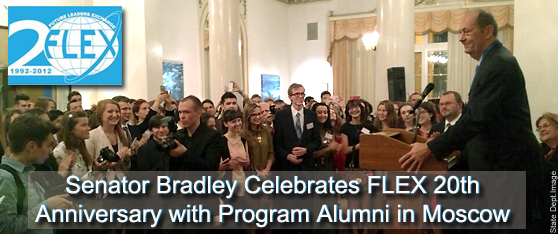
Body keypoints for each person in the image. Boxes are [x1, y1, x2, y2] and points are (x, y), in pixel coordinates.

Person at [400, 9, 543, 232]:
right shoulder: (492, 60)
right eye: (460, 32)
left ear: (488, 31)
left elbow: (476, 120)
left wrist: (430, 148)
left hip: (507, 167)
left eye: (467, 31)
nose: (461, 37)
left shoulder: (499, 63)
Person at [0, 114, 73, 233]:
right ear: (32, 146)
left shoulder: (29, 171)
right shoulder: (6, 178)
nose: (50, 152)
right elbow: (6, 228)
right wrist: (46, 207)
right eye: (48, 145)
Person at [273, 83, 321, 171]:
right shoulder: (281, 116)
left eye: (302, 94)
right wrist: (287, 156)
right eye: (297, 94)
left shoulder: (311, 115)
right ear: (290, 96)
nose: (300, 96)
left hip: (307, 165)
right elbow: (277, 142)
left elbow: (317, 140)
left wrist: (306, 150)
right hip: (287, 166)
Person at [85, 99, 132, 179]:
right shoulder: (92, 136)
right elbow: (88, 169)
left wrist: (126, 158)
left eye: (117, 112)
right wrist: (100, 167)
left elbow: (125, 168)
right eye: (110, 112)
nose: (114, 115)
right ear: (100, 115)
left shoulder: (122, 134)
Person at [219, 109, 250, 208]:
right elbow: (218, 165)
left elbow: (248, 162)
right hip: (228, 184)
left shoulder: (243, 140)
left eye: (239, 120)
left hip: (243, 183)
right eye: (233, 122)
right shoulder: (221, 141)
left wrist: (242, 161)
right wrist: (227, 165)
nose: (237, 124)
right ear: (225, 124)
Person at [53, 111, 94, 179]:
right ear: (71, 129)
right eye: (83, 125)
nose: (88, 128)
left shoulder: (81, 147)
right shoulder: (60, 151)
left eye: (88, 124)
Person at [240, 103, 274, 179]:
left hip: (266, 173)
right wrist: (257, 173)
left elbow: (271, 153)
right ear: (248, 116)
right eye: (254, 115)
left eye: (259, 114)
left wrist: (266, 170)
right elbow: (244, 157)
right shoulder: (243, 134)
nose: (257, 117)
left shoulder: (265, 131)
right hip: (250, 175)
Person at [341, 99, 377, 169]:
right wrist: (358, 146)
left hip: (368, 161)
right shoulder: (345, 127)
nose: (354, 110)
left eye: (356, 107)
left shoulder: (369, 125)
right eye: (351, 108)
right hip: (353, 162)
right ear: (348, 111)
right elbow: (345, 150)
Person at [311, 103, 343, 171]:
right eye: (319, 113)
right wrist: (328, 148)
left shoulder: (329, 129)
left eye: (325, 113)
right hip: (314, 168)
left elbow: (332, 150)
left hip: (329, 166)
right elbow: (310, 154)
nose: (323, 115)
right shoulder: (310, 130)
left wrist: (336, 148)